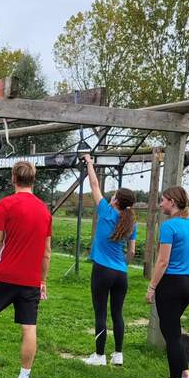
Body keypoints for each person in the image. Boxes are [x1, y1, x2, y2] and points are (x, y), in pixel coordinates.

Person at [0, 161, 52, 378]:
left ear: (13, 178)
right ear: (33, 180)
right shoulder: (45, 211)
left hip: (4, 274)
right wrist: (42, 281)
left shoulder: (6, 204)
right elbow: (47, 253)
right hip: (31, 281)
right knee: (29, 328)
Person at [81, 154, 137, 366]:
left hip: (102, 271)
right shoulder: (131, 223)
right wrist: (122, 263)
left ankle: (99, 356)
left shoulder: (105, 211)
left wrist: (89, 162)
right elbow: (131, 252)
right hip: (121, 273)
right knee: (117, 314)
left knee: (100, 313)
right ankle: (118, 355)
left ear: (115, 200)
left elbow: (94, 183)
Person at [147, 186, 189, 378]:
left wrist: (152, 287)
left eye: (162, 200)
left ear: (172, 202)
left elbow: (162, 261)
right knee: (173, 329)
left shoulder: (169, 227)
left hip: (171, 284)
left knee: (171, 334)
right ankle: (185, 374)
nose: (160, 204)